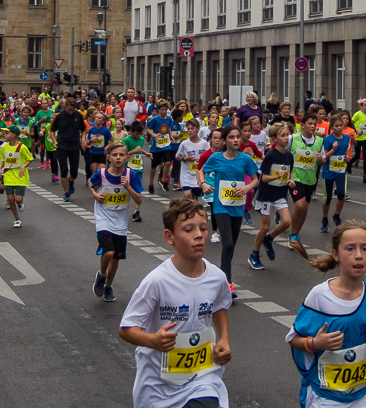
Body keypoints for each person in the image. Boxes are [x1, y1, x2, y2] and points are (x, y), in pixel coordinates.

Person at [118, 198, 233, 408]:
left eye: (203, 228)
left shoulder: (216, 277)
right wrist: (152, 340)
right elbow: (126, 329)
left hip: (201, 377)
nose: (199, 235)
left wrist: (223, 338)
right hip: (158, 385)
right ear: (169, 237)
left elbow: (220, 306)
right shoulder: (157, 281)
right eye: (188, 229)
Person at [287, 221, 366, 407]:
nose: (359, 256)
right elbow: (294, 339)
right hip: (325, 396)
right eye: (350, 249)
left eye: (365, 248)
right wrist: (315, 343)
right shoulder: (320, 296)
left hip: (360, 393)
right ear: (336, 255)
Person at [198, 125, 260, 297]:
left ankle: (220, 277)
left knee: (231, 247)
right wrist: (204, 184)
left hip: (237, 208)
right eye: (232, 137)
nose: (236, 140)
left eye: (237, 137)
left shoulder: (245, 159)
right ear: (225, 141)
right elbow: (201, 171)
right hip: (221, 207)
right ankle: (227, 283)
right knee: (228, 244)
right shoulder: (216, 158)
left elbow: (256, 179)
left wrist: (247, 187)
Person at [88, 143, 144, 302]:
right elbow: (90, 183)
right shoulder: (102, 173)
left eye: (121, 155)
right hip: (103, 218)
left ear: (127, 157)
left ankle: (108, 286)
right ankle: (101, 275)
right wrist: (94, 194)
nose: (118, 158)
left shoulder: (130, 174)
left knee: (116, 257)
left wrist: (127, 186)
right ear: (109, 158)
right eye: (115, 155)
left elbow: (139, 199)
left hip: (120, 222)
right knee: (109, 251)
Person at [249, 121, 294, 270]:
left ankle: (269, 239)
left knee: (287, 222)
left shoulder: (289, 155)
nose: (287, 138)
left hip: (280, 193)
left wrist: (291, 180)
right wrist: (276, 176)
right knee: (265, 227)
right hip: (266, 194)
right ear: (274, 139)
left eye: (287, 134)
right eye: (283, 135)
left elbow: (290, 172)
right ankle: (254, 254)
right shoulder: (270, 156)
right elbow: (264, 178)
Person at [287, 113, 323, 259]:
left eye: (315, 124)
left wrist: (321, 159)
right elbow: (283, 153)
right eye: (310, 123)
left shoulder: (320, 141)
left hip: (310, 179)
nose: (313, 126)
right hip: (295, 178)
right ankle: (293, 235)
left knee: (305, 208)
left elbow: (323, 162)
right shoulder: (292, 139)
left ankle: (296, 233)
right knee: (300, 206)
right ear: (302, 125)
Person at [0, 124, 34, 228]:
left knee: (18, 199)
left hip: (20, 177)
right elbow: (3, 160)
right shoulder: (5, 147)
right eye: (4, 133)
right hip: (8, 176)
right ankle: (17, 218)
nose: (4, 135)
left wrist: (23, 166)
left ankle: (20, 204)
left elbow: (30, 159)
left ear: (13, 135)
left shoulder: (22, 147)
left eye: (6, 133)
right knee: (10, 198)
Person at [51, 98, 87, 203]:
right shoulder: (60, 116)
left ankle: (71, 181)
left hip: (75, 145)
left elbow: (83, 129)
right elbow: (52, 130)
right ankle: (66, 193)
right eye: (69, 110)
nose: (71, 112)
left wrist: (83, 139)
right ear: (65, 106)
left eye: (73, 110)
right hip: (62, 145)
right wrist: (54, 141)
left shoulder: (78, 116)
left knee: (74, 172)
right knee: (64, 170)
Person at [320, 116, 351, 233]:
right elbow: (325, 156)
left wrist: (347, 158)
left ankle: (336, 216)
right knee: (327, 198)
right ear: (331, 127)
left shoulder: (347, 138)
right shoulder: (327, 139)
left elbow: (346, 153)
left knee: (342, 193)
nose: (339, 128)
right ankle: (324, 219)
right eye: (336, 126)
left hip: (341, 170)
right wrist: (333, 150)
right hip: (328, 171)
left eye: (341, 125)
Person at [147, 101, 176, 193]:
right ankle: (151, 183)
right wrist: (154, 135)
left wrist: (171, 136)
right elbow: (147, 128)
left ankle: (163, 180)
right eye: (162, 109)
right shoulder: (155, 119)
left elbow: (169, 128)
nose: (164, 111)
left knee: (168, 162)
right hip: (156, 145)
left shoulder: (169, 119)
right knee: (154, 166)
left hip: (166, 144)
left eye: (165, 109)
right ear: (159, 109)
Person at [350, 98, 366, 183]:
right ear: (361, 106)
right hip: (358, 138)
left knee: (365, 156)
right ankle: (349, 164)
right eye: (365, 105)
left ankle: (365, 174)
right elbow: (351, 122)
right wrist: (356, 130)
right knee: (357, 155)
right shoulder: (357, 114)